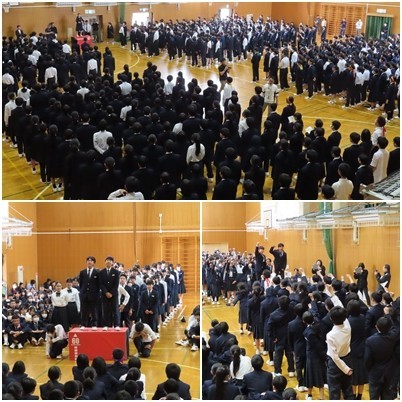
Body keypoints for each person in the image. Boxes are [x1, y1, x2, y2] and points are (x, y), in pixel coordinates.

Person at [364, 315, 399, 400]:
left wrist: (370, 370)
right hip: (390, 372)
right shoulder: (394, 337)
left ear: (376, 327)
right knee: (388, 397)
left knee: (374, 397)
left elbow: (367, 360)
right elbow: (396, 328)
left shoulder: (370, 340)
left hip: (375, 373)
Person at [326, 305, 354, 400]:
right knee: (348, 391)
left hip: (335, 364)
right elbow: (341, 307)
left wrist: (346, 369)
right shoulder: (348, 327)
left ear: (331, 318)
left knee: (334, 393)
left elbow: (335, 357)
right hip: (347, 359)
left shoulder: (330, 335)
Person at [78, 256, 100, 327]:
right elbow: (81, 284)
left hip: (93, 296)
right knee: (83, 311)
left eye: (91, 261)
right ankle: (83, 325)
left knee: (94, 311)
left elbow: (98, 285)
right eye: (88, 260)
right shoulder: (82, 272)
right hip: (84, 295)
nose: (89, 262)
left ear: (94, 263)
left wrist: (96, 295)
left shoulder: (97, 272)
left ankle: (94, 325)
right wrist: (82, 293)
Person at [99, 256, 120, 328]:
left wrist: (111, 293)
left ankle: (116, 325)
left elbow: (116, 284)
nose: (108, 261)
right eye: (107, 260)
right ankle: (106, 325)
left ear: (112, 263)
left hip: (114, 294)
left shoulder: (116, 272)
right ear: (105, 262)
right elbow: (101, 284)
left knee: (115, 310)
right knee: (105, 310)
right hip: (104, 294)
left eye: (110, 260)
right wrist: (106, 292)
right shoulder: (101, 272)